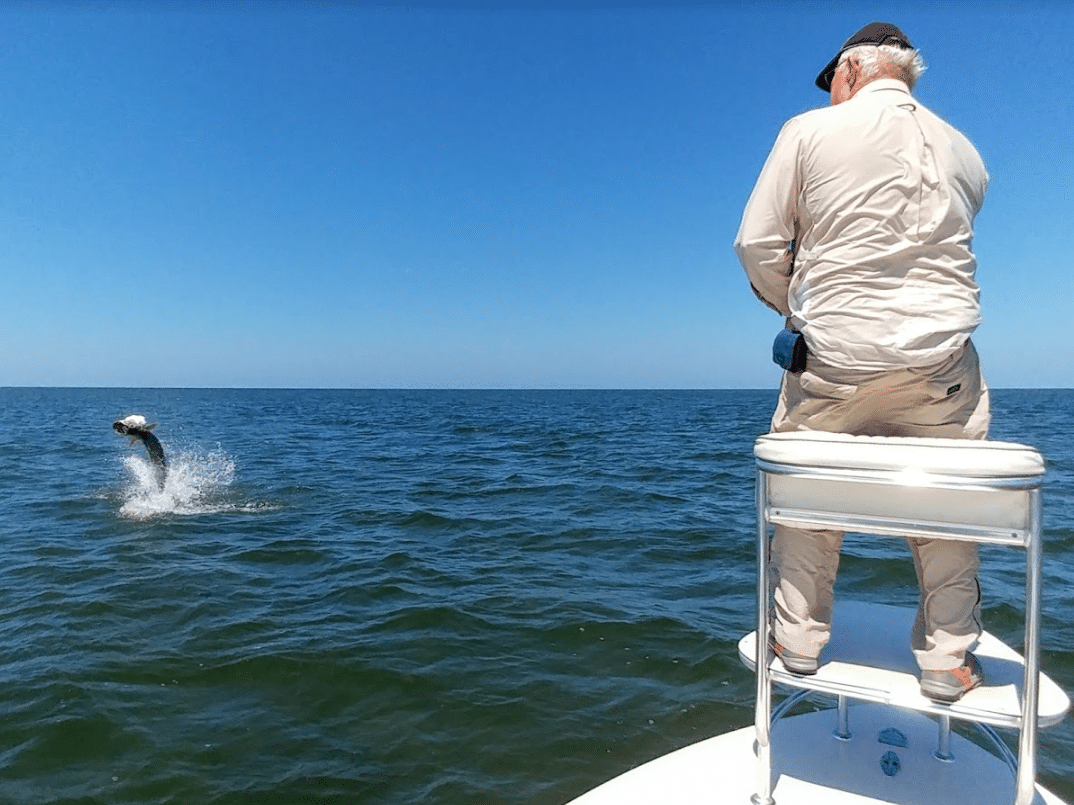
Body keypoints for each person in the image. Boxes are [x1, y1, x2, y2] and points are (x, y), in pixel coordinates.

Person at [733, 22, 991, 703]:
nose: (830, 96)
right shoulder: (967, 153)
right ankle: (948, 660)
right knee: (948, 503)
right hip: (941, 370)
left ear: (853, 67)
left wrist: (796, 307)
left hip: (831, 366)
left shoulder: (807, 133)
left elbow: (755, 242)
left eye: (833, 83)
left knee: (808, 492)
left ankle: (797, 637)